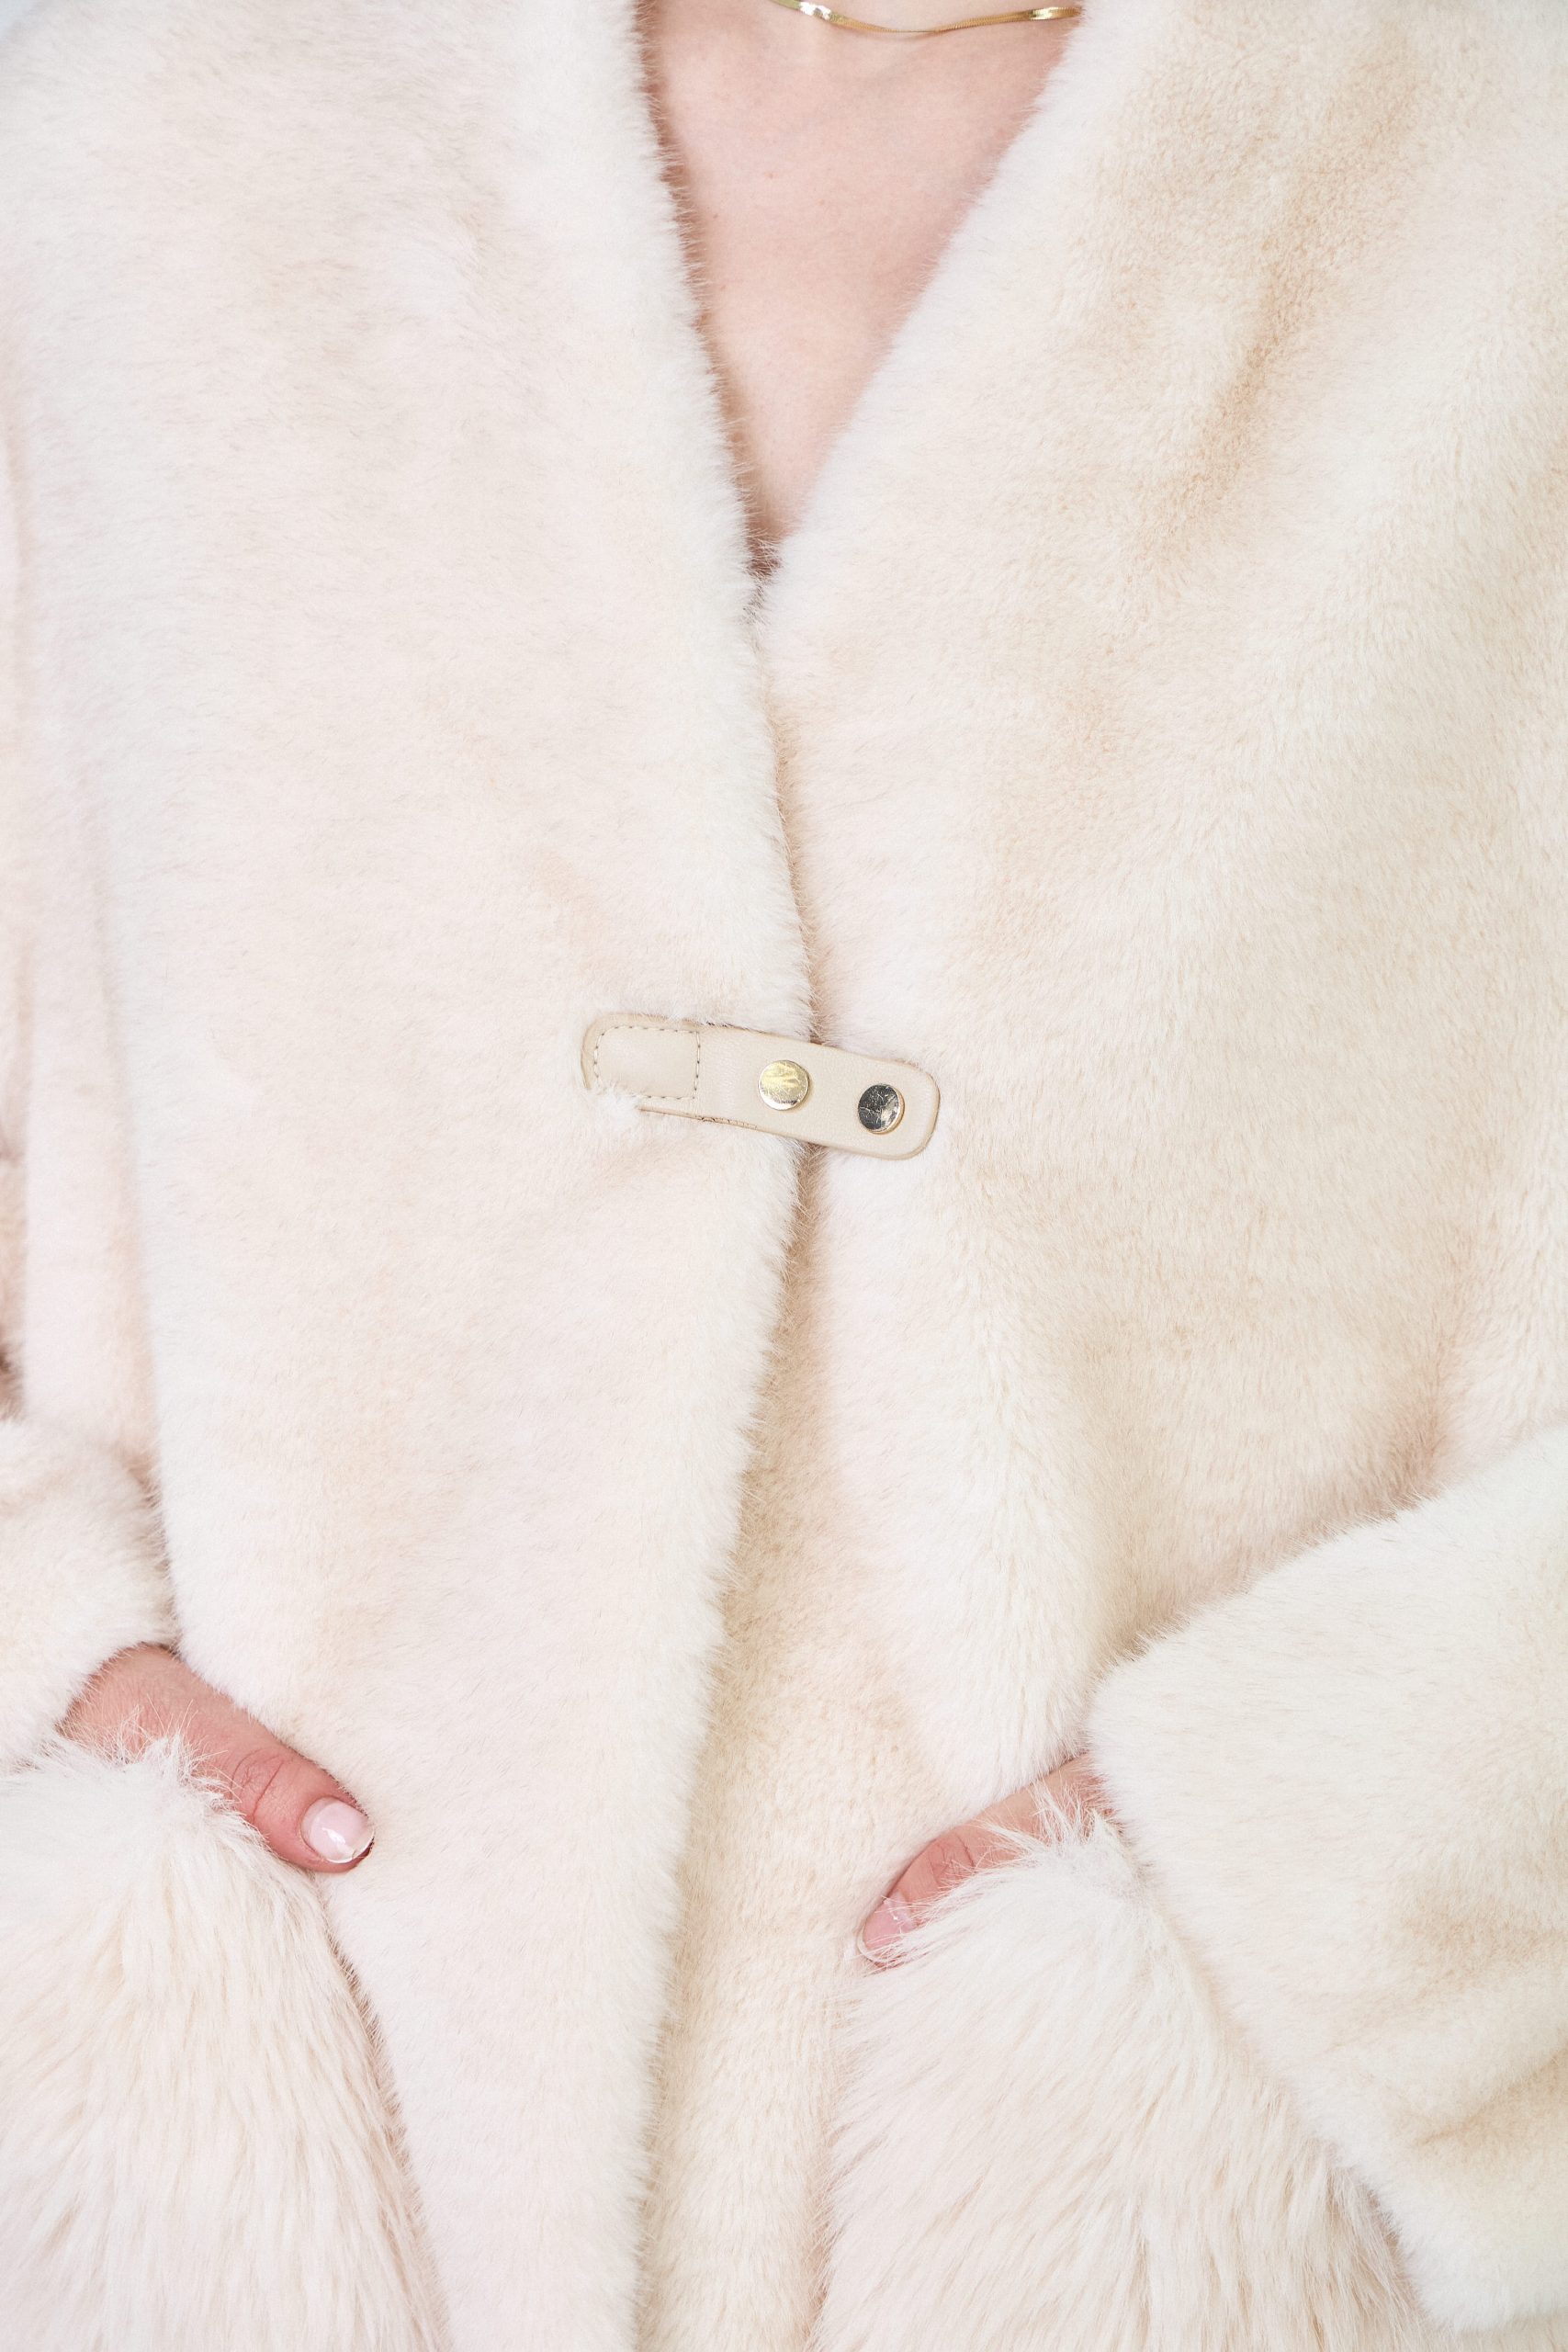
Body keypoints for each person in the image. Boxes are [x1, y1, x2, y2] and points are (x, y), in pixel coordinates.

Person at [1, 0, 1567, 2345]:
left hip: (1171, 2208)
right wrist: (39, 1653)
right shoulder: (143, 129)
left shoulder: (1503, 170)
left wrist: (1311, 1835)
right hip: (217, 2180)